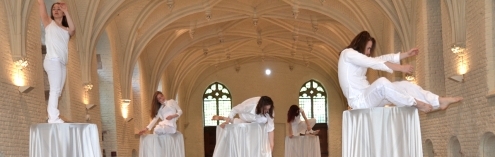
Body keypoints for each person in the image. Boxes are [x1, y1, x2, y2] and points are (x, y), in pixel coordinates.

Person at [338, 31, 463, 113]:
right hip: (359, 102)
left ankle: (438, 101)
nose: (369, 52)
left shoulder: (359, 58)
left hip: (369, 98)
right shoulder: (347, 54)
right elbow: (374, 63)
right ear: (361, 44)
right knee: (382, 83)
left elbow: (381, 59)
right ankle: (415, 103)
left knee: (403, 85)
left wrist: (405, 55)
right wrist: (401, 68)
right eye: (368, 48)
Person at [38, 0, 75, 123]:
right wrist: (41, 2)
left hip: (62, 63)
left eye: (59, 8)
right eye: (54, 8)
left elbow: (73, 30)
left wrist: (66, 11)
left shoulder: (66, 29)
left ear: (63, 12)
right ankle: (53, 118)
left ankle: (53, 116)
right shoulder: (49, 23)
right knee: (55, 89)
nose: (56, 10)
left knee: (57, 92)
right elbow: (41, 6)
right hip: (53, 60)